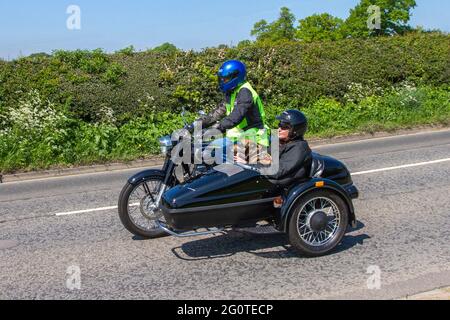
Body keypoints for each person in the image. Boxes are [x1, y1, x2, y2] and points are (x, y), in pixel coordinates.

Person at [186, 60, 270, 162]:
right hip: (237, 138)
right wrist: (194, 126)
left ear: (236, 76)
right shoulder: (232, 92)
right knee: (204, 151)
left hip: (253, 139)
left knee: (213, 155)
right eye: (222, 79)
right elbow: (217, 113)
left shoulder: (245, 92)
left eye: (225, 79)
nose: (223, 81)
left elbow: (236, 117)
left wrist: (215, 129)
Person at [235, 110, 312, 185]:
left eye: (284, 127)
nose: (279, 129)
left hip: (279, 183)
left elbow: (277, 171)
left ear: (295, 130)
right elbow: (265, 155)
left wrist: (249, 165)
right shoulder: (279, 141)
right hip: (269, 176)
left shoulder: (299, 147)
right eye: (280, 125)